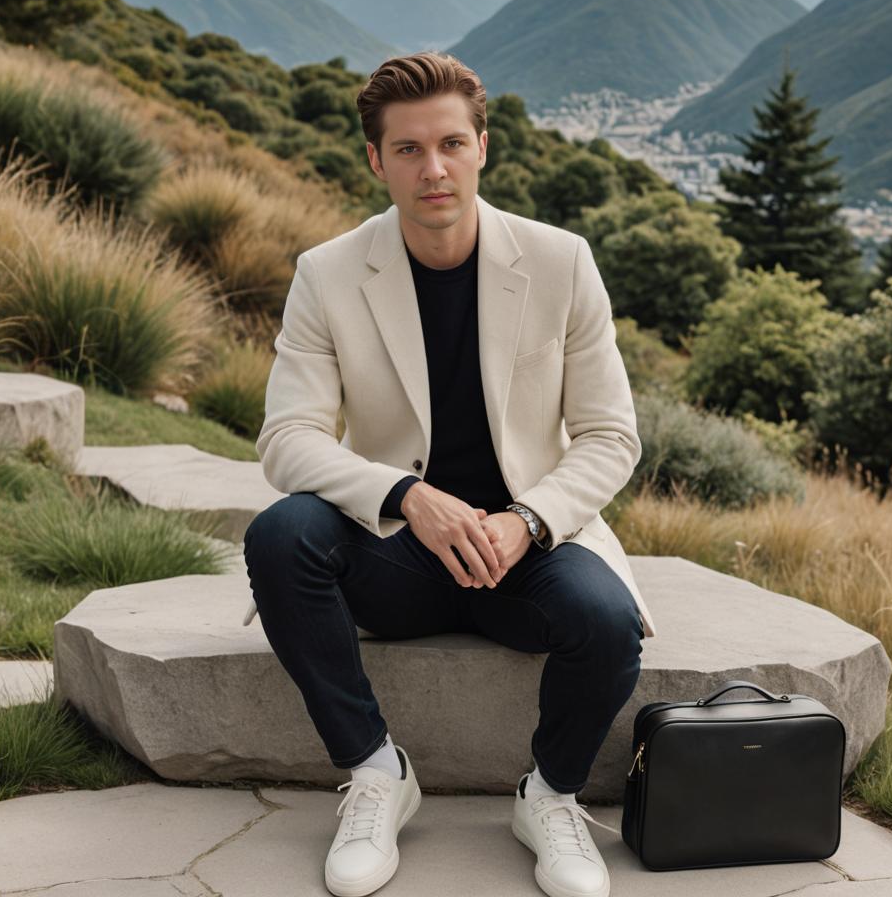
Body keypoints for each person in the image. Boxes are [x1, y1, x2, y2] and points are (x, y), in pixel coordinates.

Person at [242, 50, 657, 897]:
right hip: (394, 550)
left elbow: (612, 437)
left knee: (609, 620)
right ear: (374, 159)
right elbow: (286, 438)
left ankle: (549, 796)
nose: (433, 169)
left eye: (451, 145)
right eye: (407, 150)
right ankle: (373, 772)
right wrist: (405, 495)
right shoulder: (327, 273)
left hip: (525, 548)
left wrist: (528, 520)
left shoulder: (561, 261)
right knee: (282, 535)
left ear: (482, 148)